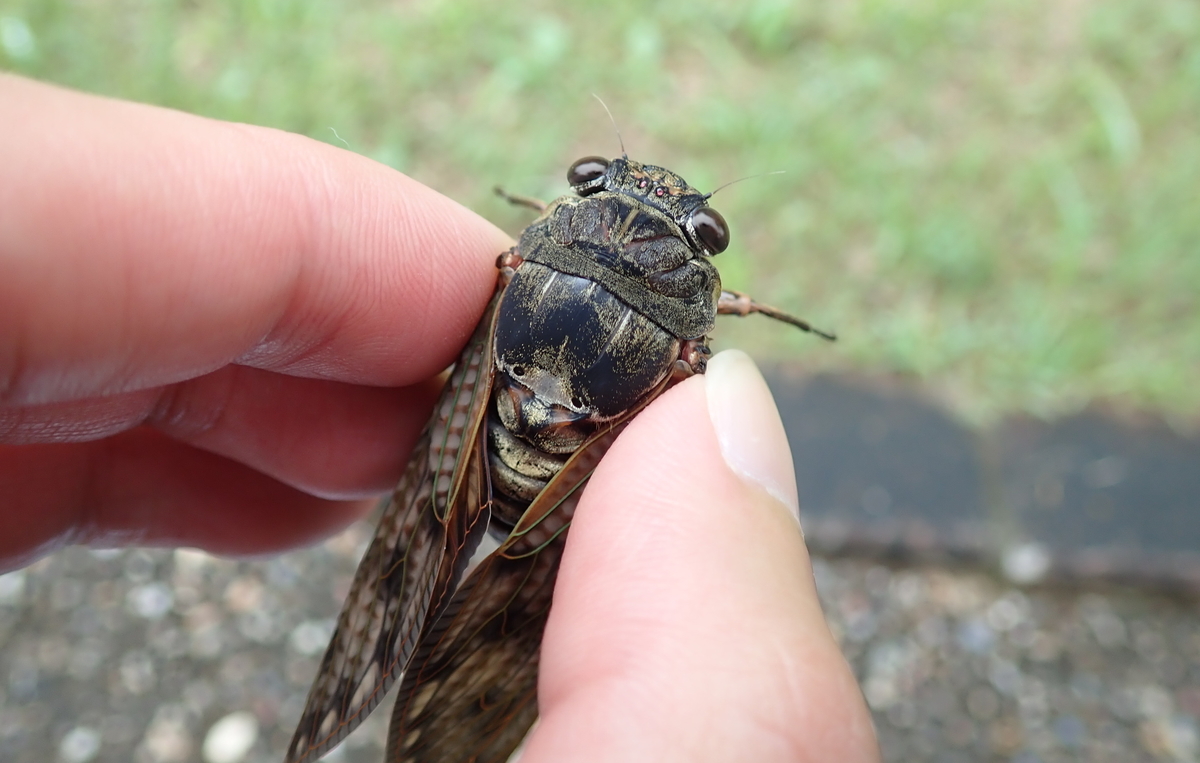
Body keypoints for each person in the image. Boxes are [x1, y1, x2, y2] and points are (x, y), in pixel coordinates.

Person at [0, 74, 880, 762]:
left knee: (428, 553)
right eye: (596, 186)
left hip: (483, 431)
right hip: (565, 467)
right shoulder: (687, 314)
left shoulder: (531, 247)